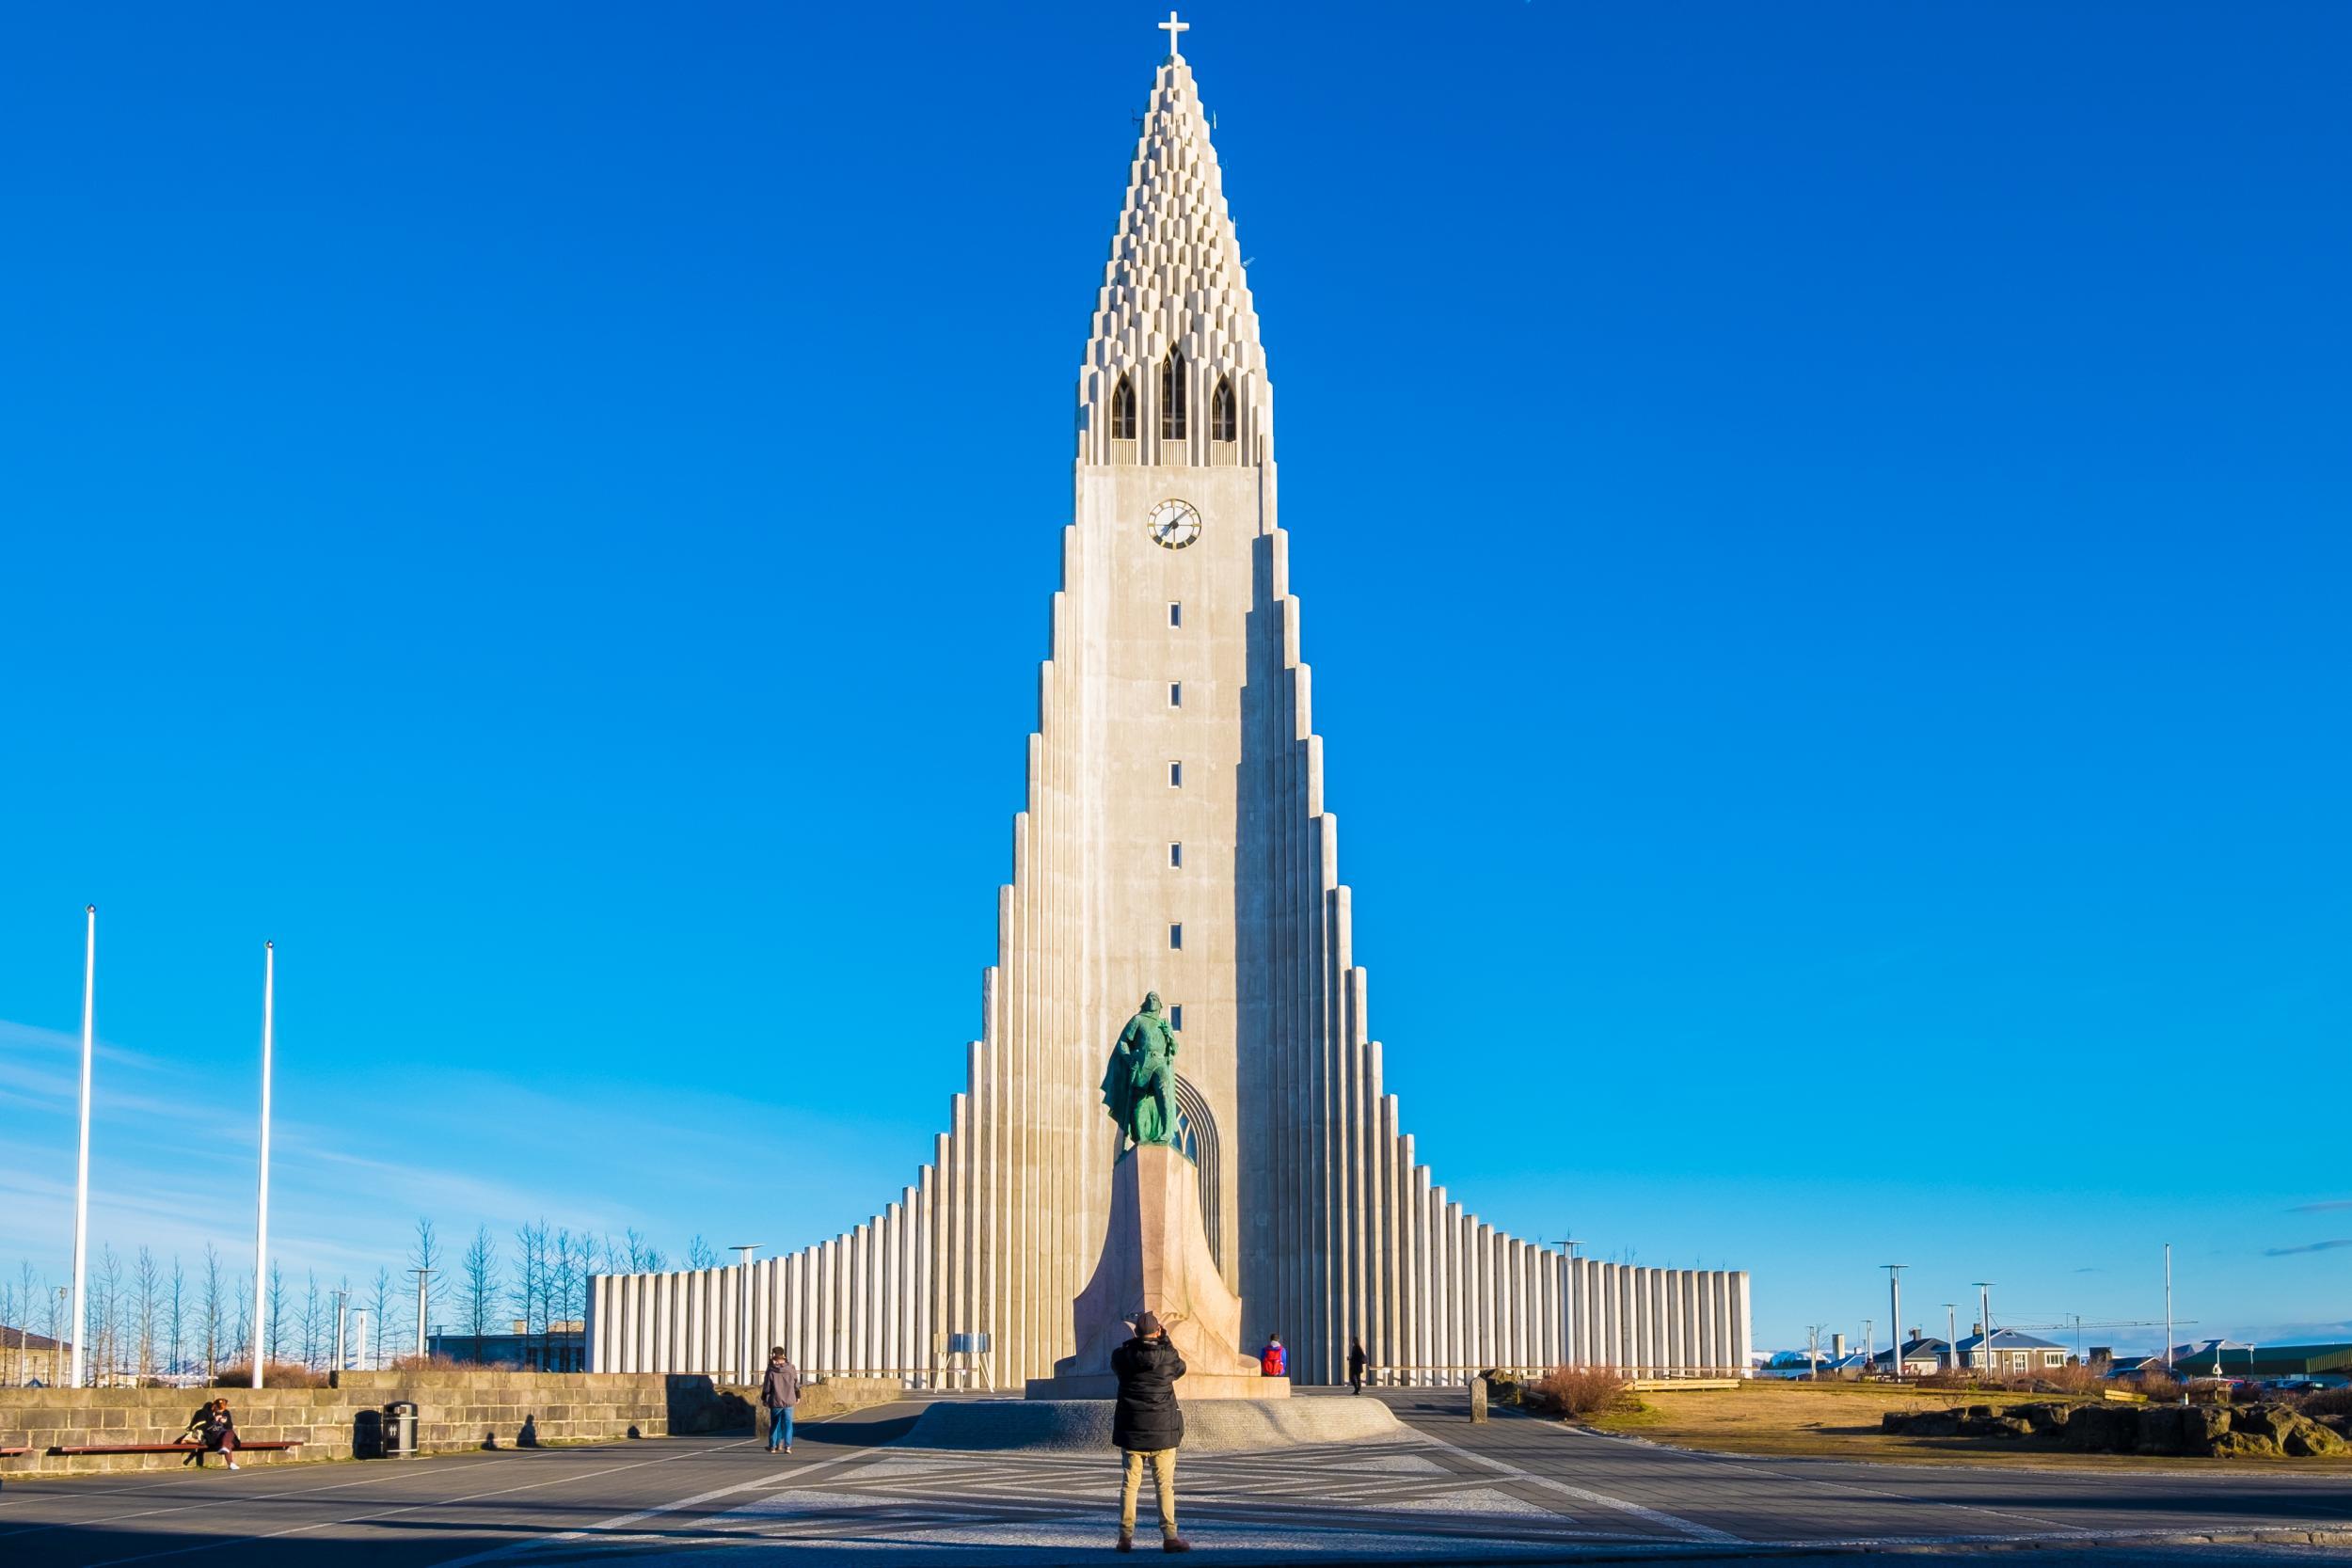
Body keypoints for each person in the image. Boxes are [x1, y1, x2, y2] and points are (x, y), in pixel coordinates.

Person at [1110, 1310, 1190, 1554]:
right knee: (1165, 1486)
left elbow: (1118, 1363)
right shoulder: (1168, 1357)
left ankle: (1125, 1537)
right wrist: (1165, 1341)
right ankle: (1170, 1537)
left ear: (1135, 1333)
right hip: (1163, 1432)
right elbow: (1181, 1368)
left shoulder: (1122, 1357)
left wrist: (1140, 1342)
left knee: (1129, 1486)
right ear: (1158, 1331)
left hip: (1133, 1431)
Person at [760, 1345, 802, 1454]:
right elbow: (796, 1384)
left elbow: (767, 1387)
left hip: (776, 1400)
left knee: (775, 1423)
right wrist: (798, 1396)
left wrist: (764, 1398)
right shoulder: (791, 1368)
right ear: (783, 1355)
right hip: (789, 1400)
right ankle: (787, 1447)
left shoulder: (771, 1370)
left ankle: (773, 1446)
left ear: (773, 1355)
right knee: (788, 1424)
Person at [194, 1398, 240, 1469]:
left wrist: (225, 1422)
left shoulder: (226, 1412)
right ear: (214, 1406)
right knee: (229, 1444)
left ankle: (225, 1449)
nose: (221, 1411)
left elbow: (230, 1426)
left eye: (223, 1409)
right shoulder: (207, 1413)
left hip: (225, 1436)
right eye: (219, 1409)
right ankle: (230, 1463)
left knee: (230, 1432)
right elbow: (203, 1428)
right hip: (214, 1438)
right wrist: (214, 1421)